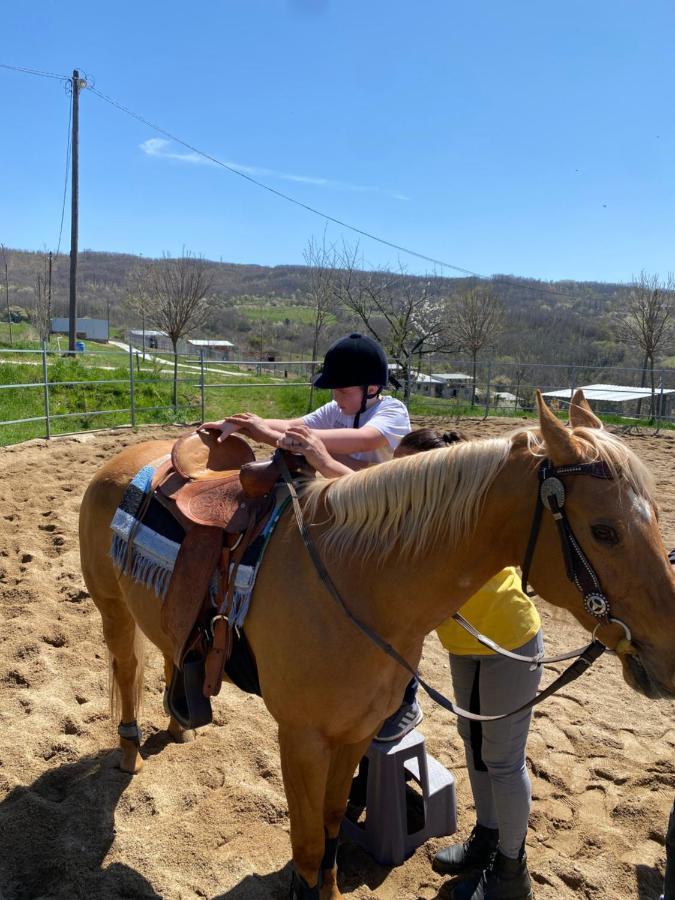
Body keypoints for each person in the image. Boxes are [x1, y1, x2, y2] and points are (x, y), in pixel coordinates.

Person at [392, 428, 541, 900]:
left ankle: (512, 873)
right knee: (474, 745)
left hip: (509, 641)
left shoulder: (461, 516)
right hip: (464, 644)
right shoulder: (420, 514)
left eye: (403, 467)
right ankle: (489, 837)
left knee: (503, 759)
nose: (392, 476)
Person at [203, 332, 410, 474]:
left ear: (371, 389)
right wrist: (243, 423)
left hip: (383, 499)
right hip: (349, 489)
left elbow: (363, 440)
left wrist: (272, 435)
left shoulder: (393, 411)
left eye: (342, 390)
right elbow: (292, 425)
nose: (335, 397)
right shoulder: (336, 409)